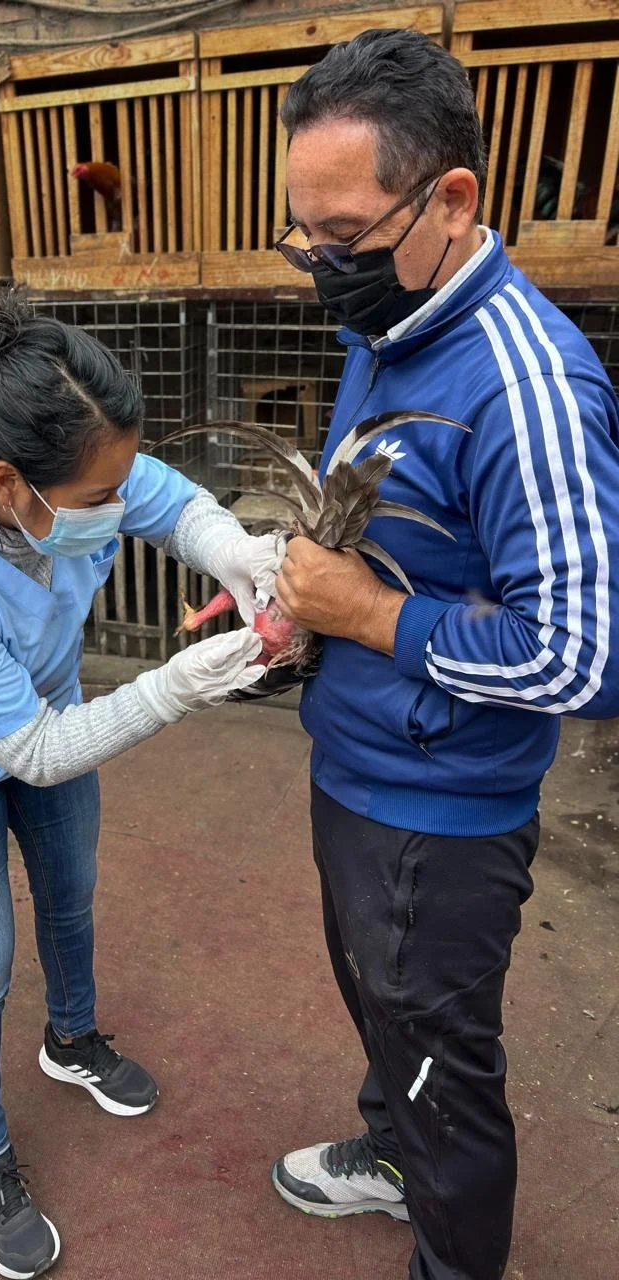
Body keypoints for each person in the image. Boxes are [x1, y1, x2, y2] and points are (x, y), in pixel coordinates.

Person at [267, 28, 619, 1280]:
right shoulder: (393, 321)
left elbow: (583, 656)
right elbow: (393, 541)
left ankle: (453, 1254)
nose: (322, 266)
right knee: (383, 1006)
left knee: (443, 1068)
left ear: (452, 196)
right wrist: (299, 606)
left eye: (344, 239)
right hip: (356, 770)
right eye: (301, 236)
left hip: (443, 818)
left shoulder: (530, 389)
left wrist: (368, 617)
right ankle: (386, 1146)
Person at [0, 286, 278, 1280]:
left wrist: (237, 551)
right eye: (98, 498)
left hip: (46, 714)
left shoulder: (85, 468)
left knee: (71, 893)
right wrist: (173, 685)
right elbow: (40, 751)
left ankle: (73, 1036)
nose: (115, 505)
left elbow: (169, 500)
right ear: (9, 484)